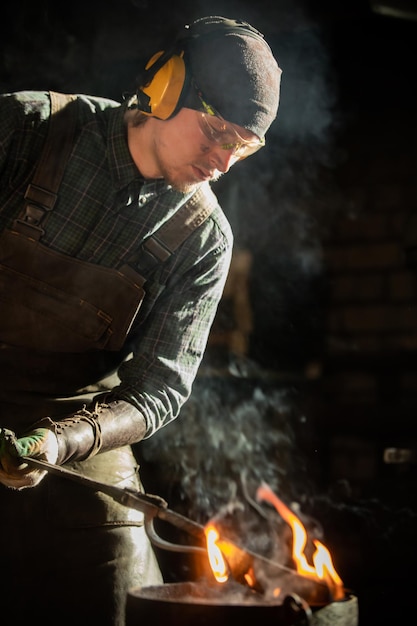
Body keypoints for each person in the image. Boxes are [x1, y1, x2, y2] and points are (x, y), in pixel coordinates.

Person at [0, 15, 281, 626]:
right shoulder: (27, 127)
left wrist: (60, 441)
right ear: (164, 84)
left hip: (78, 424)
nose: (223, 160)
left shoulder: (202, 238)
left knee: (128, 608)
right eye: (214, 131)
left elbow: (159, 388)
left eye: (241, 145)